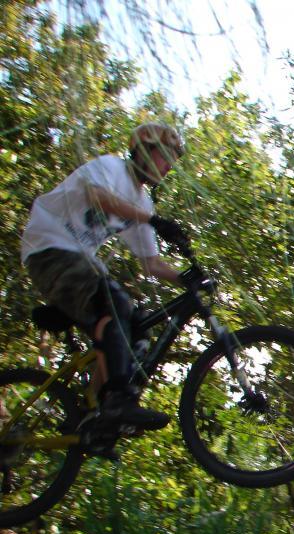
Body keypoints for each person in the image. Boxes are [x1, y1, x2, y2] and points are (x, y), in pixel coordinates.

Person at [20, 122, 190, 435]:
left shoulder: (142, 202)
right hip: (49, 248)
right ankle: (116, 401)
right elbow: (99, 198)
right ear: (142, 151)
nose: (168, 168)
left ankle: (92, 411)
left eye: (172, 163)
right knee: (114, 302)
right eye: (165, 157)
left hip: (79, 264)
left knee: (139, 329)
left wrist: (189, 278)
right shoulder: (110, 168)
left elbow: (151, 264)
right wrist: (153, 220)